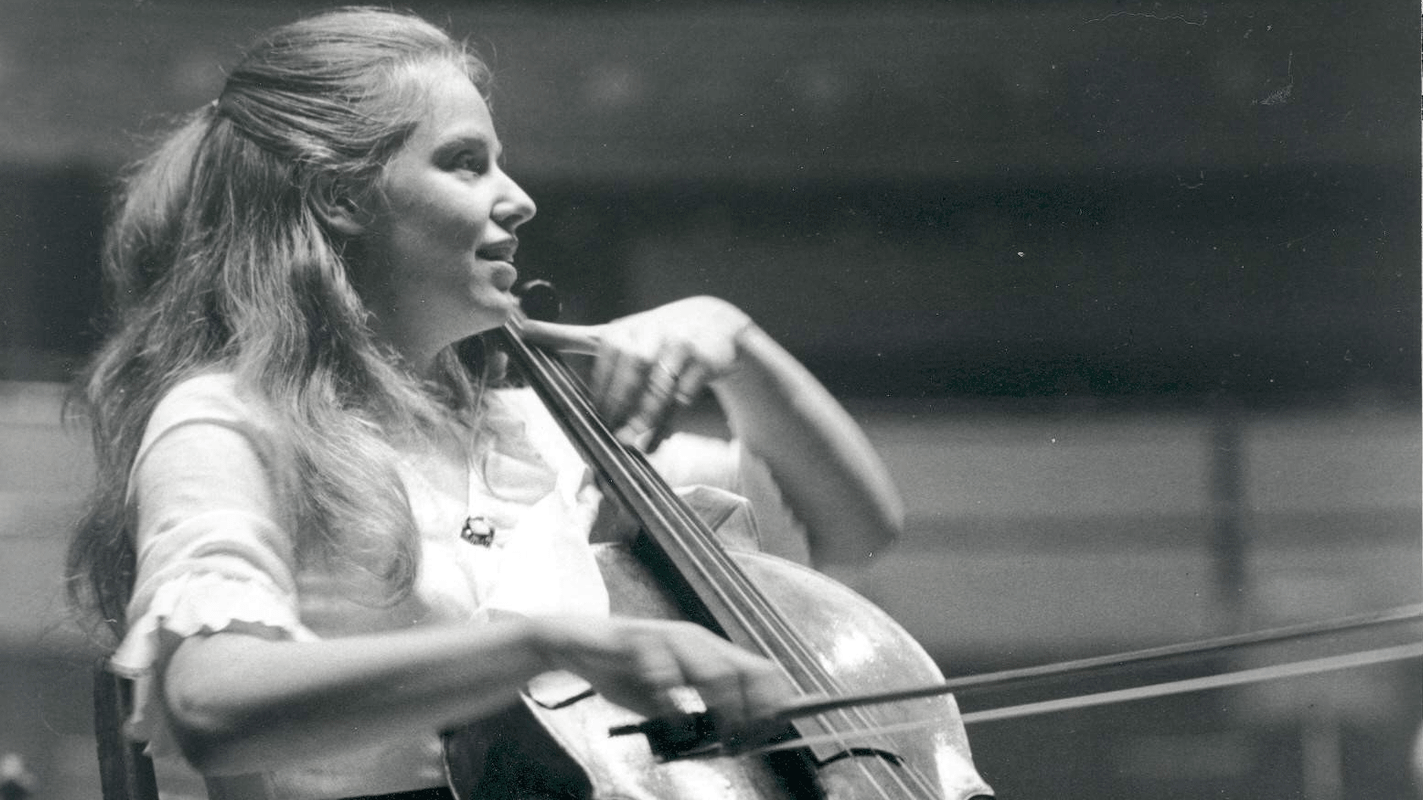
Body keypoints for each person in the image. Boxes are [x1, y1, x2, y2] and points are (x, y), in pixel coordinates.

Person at [66, 8, 990, 799]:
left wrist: (735, 342)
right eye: (465, 163)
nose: (520, 200)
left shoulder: (531, 436)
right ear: (337, 195)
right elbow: (210, 708)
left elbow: (849, 528)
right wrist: (545, 645)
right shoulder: (230, 419)